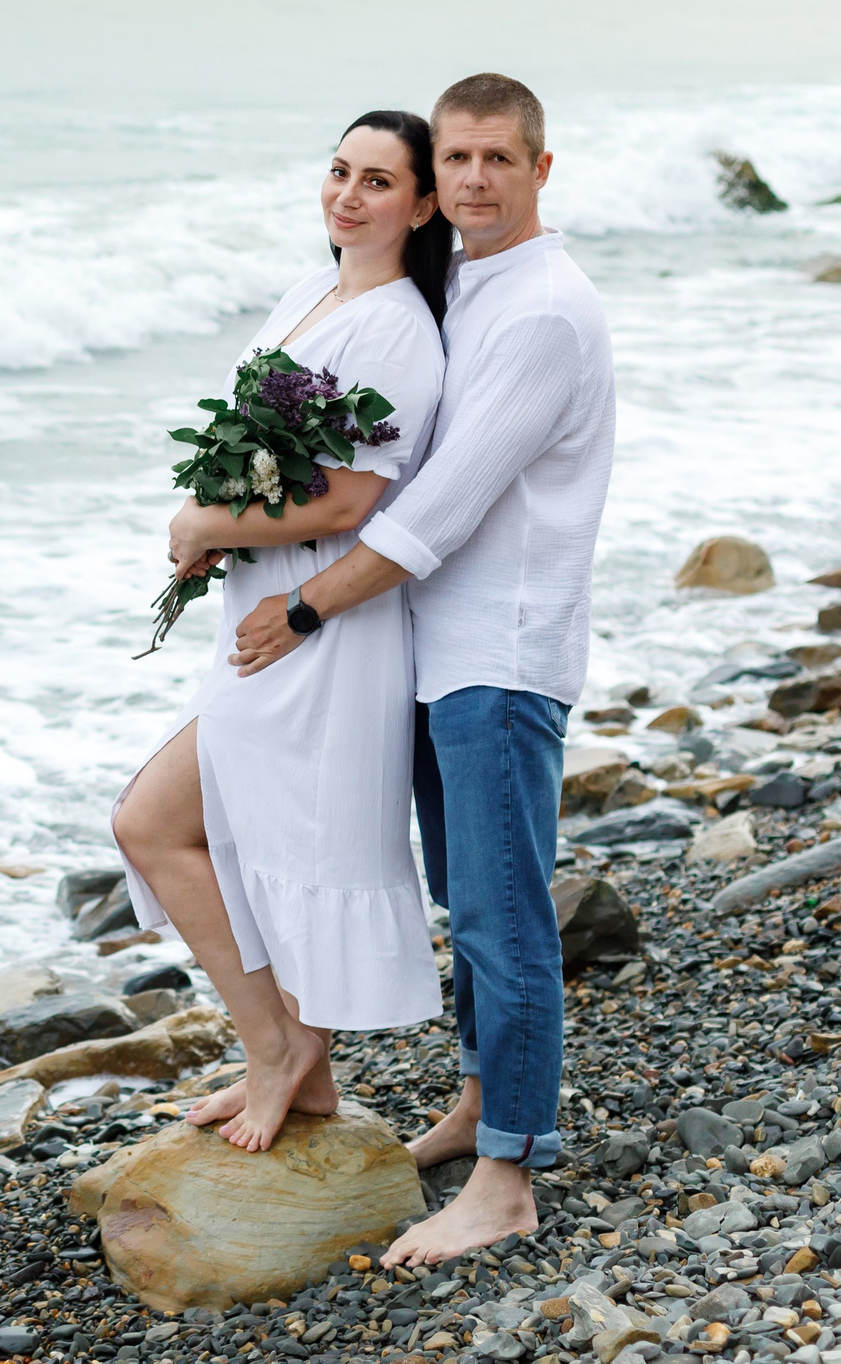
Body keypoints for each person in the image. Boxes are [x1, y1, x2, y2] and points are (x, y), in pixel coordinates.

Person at [229, 73, 615, 1263]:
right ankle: (478, 1104)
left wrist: (304, 607)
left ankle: (508, 1176)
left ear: (539, 168)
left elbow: (439, 506)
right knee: (466, 896)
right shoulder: (467, 284)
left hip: (498, 652)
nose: (475, 179)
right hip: (434, 650)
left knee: (502, 917)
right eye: (456, 159)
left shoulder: (541, 311)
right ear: (435, 179)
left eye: (499, 158)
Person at [110, 110, 455, 1154]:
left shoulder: (398, 329)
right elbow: (272, 457)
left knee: (160, 823)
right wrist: (220, 527)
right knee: (246, 829)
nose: (348, 194)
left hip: (320, 626)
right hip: (262, 610)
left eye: (378, 181)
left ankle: (276, 1047)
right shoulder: (312, 290)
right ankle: (303, 1069)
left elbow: (351, 496)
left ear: (423, 206)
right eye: (340, 170)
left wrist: (208, 520)